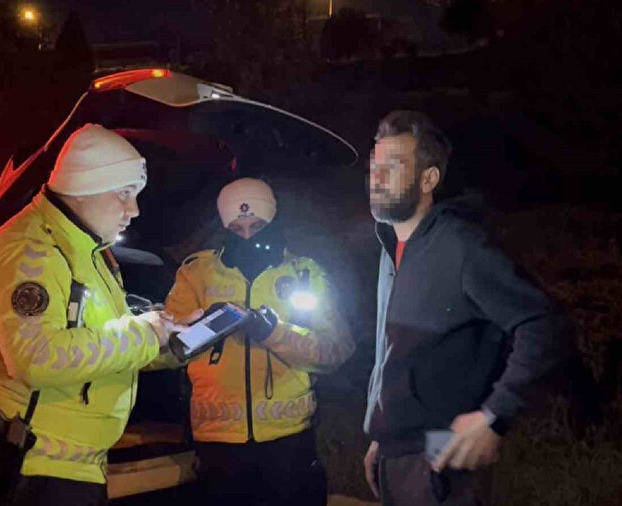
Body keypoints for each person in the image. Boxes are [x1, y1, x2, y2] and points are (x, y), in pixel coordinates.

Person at [0, 123, 185, 506]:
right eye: (125, 194)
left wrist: (170, 342)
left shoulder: (86, 249)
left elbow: (97, 348)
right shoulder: (30, 251)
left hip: (65, 470)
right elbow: (37, 357)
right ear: (85, 188)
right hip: (27, 471)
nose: (134, 210)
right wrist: (143, 334)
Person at [363, 110, 568, 506]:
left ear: (428, 179)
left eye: (393, 165)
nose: (377, 176)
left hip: (442, 459)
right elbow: (392, 354)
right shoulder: (390, 251)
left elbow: (543, 323)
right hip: (397, 455)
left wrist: (495, 415)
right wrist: (383, 436)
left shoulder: (461, 247)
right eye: (374, 165)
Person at [164, 178, 355, 505]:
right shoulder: (197, 273)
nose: (249, 235)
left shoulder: (303, 274)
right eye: (237, 228)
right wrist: (210, 328)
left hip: (289, 441)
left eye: (257, 225)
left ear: (274, 221)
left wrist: (274, 333)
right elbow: (165, 351)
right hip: (217, 440)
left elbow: (336, 349)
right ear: (224, 226)